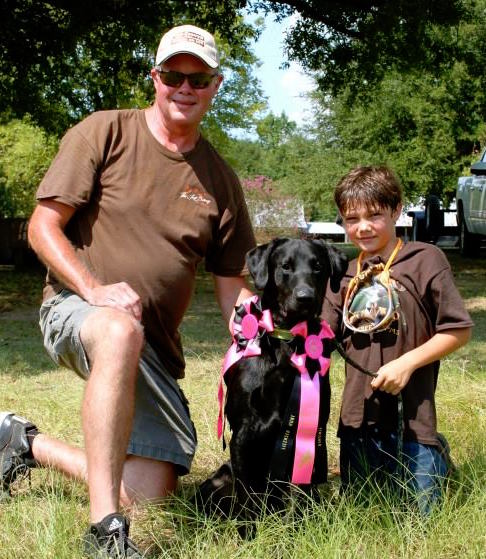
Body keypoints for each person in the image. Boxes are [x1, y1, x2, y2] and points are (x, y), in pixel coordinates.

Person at [0, 24, 255, 557]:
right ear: (154, 78)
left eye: (199, 78)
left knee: (151, 492)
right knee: (118, 328)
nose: (185, 88)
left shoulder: (220, 179)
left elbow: (232, 286)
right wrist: (93, 288)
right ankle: (105, 535)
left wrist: (262, 337)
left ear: (216, 84)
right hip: (77, 310)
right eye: (173, 75)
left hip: (155, 352)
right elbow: (41, 228)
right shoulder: (104, 132)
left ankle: (24, 443)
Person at [322, 165, 472, 515]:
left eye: (374, 215)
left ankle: (438, 456)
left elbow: (458, 329)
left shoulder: (425, 259)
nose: (362, 227)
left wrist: (406, 363)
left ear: (396, 209)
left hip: (412, 419)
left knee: (419, 522)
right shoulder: (343, 274)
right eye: (351, 218)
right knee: (363, 517)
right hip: (358, 421)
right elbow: (321, 336)